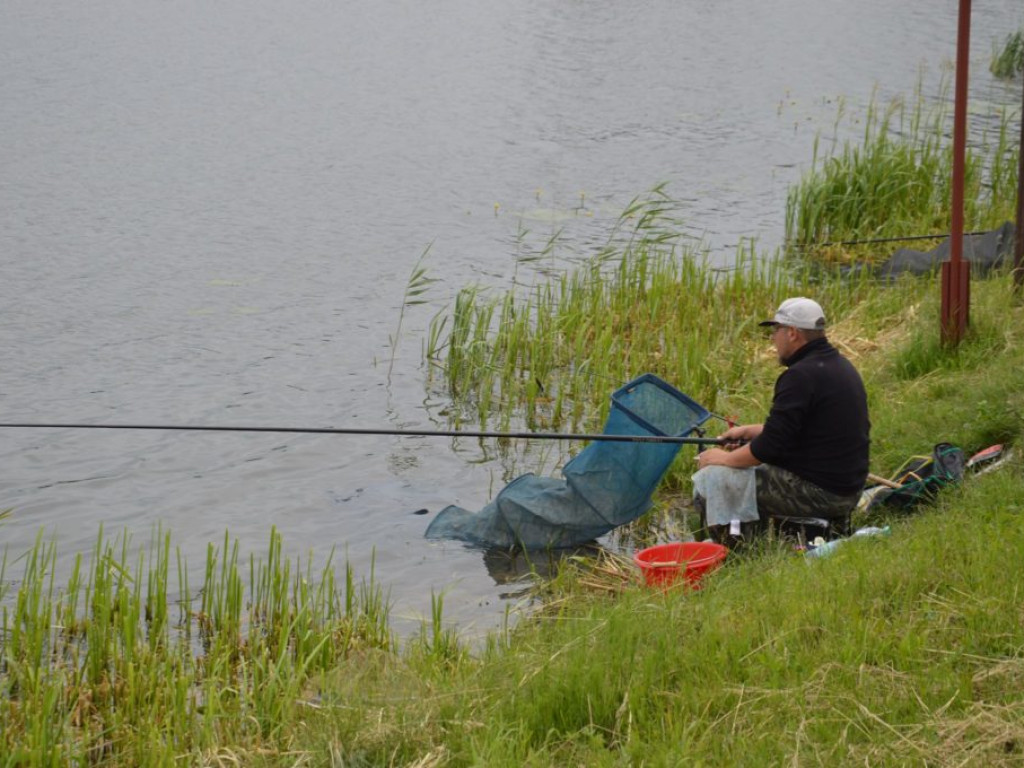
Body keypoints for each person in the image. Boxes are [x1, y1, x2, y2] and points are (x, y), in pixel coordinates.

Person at [692, 297, 870, 542]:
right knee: (742, 465)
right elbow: (806, 430)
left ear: (793, 333)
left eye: (776, 331)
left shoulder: (800, 376)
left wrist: (724, 459)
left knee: (714, 477)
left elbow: (768, 448)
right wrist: (752, 431)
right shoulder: (839, 366)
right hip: (848, 489)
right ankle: (759, 535)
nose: (773, 338)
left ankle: (734, 551)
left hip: (824, 494)